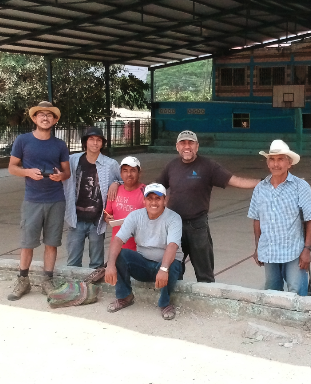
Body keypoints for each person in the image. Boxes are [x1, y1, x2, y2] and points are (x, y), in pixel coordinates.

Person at [146, 130, 260, 283]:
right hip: (174, 225)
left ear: (197, 146)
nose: (187, 146)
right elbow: (154, 189)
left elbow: (235, 181)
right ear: (177, 147)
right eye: (183, 143)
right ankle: (173, 299)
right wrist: (121, 185)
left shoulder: (208, 166)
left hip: (197, 226)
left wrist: (262, 182)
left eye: (190, 143)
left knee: (204, 271)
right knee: (173, 267)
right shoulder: (171, 166)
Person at [7, 101, 71, 301]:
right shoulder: (23, 141)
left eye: (49, 115)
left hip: (55, 199)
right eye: (41, 115)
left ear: (55, 120)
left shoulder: (60, 145)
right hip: (32, 200)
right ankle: (22, 280)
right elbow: (12, 167)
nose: (45, 118)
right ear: (34, 119)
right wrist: (27, 172)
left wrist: (60, 176)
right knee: (28, 243)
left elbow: (67, 172)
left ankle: (47, 280)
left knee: (52, 243)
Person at [248, 140, 311, 295]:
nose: (276, 164)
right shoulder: (260, 188)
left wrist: (307, 250)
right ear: (267, 163)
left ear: (289, 163)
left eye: (280, 159)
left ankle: (298, 319)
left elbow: (310, 219)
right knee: (272, 292)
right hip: (269, 251)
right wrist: (258, 247)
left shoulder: (300, 186)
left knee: (296, 291)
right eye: (272, 159)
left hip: (294, 250)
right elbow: (256, 219)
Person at [104, 183, 183, 320]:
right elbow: (118, 240)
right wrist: (110, 265)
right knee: (119, 255)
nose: (153, 202)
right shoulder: (135, 216)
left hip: (165, 266)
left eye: (158, 199)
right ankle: (125, 297)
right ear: (144, 200)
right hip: (143, 265)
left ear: (165, 200)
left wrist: (163, 269)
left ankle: (165, 304)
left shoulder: (174, 218)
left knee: (174, 264)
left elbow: (172, 245)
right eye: (150, 198)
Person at [62, 127, 121, 269]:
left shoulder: (110, 164)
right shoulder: (72, 160)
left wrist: (116, 183)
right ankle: (74, 288)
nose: (95, 143)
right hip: (76, 219)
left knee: (96, 263)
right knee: (73, 262)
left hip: (97, 220)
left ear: (102, 143)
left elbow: (125, 181)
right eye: (91, 139)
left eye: (99, 140)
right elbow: (59, 173)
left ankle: (94, 288)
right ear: (85, 142)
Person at [104, 156, 145, 251]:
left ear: (139, 173)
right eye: (125, 170)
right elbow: (107, 214)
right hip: (118, 248)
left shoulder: (146, 192)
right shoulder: (114, 191)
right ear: (121, 174)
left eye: (133, 170)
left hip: (140, 249)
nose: (129, 174)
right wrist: (107, 218)